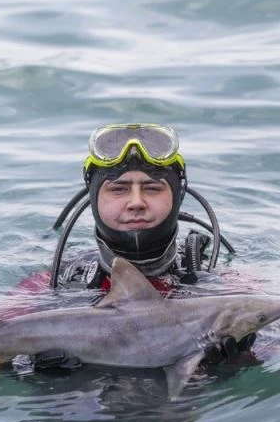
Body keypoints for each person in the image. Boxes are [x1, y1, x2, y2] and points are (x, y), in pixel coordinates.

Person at [25, 123, 257, 371]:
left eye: (153, 188)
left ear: (179, 195)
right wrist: (29, 368)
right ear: (93, 197)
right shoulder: (53, 282)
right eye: (118, 189)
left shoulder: (230, 288)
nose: (136, 202)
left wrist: (237, 362)